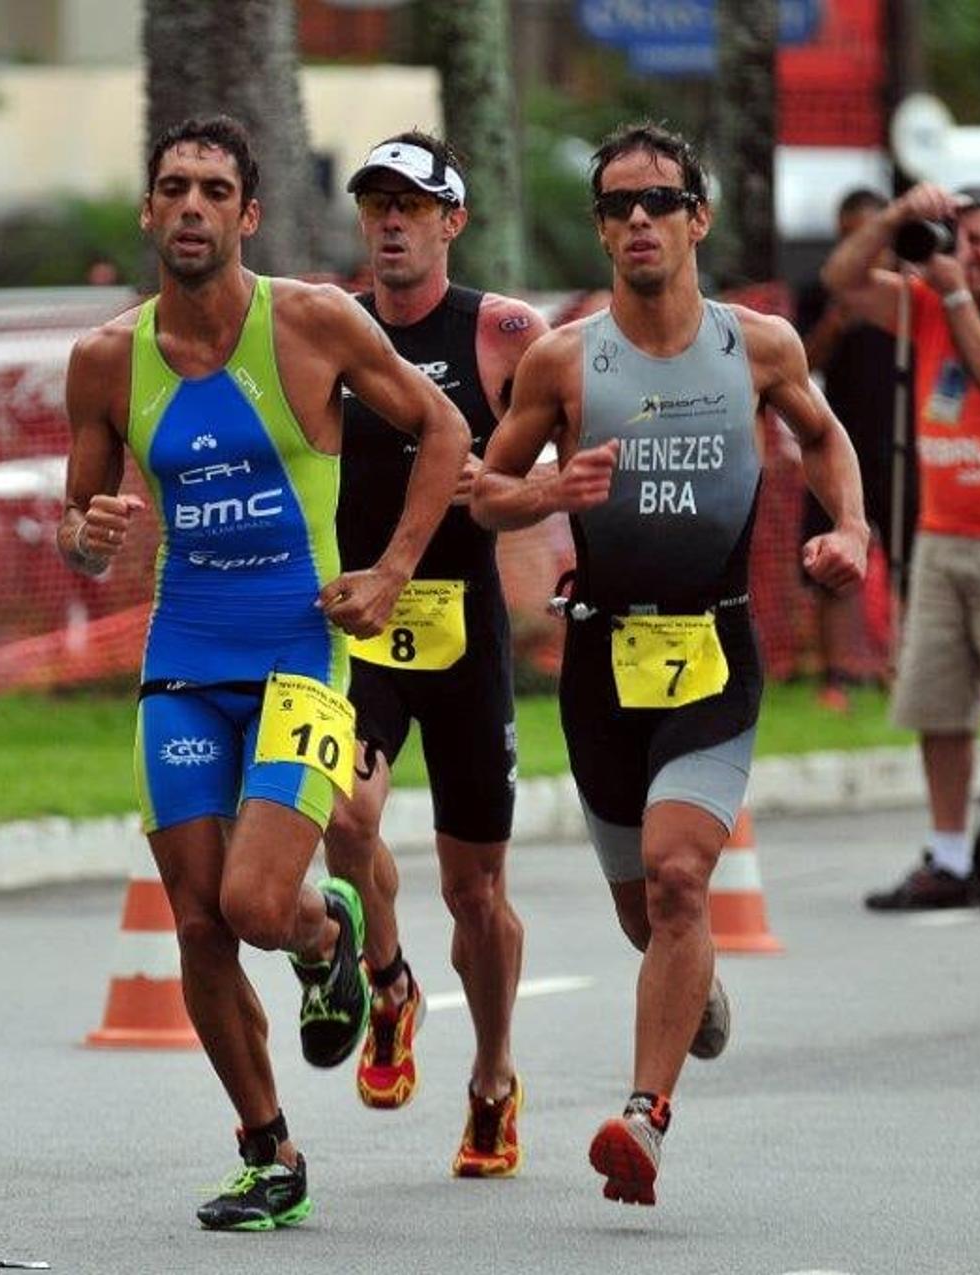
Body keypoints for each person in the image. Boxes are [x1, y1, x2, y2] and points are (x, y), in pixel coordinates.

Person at [59, 115, 469, 1232]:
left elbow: (443, 432)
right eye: (172, 188)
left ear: (248, 214)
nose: (190, 206)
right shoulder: (106, 360)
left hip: (303, 648)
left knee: (252, 903)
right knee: (195, 921)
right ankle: (268, 1150)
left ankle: (327, 929)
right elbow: (78, 529)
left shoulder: (314, 323)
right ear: (149, 212)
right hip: (183, 656)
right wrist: (89, 537)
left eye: (213, 191)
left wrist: (390, 571)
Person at [472, 122, 869, 1207]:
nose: (638, 221)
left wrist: (855, 530)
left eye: (659, 202)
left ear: (699, 218)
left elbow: (826, 439)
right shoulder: (564, 359)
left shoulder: (761, 345)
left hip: (711, 645)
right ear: (601, 228)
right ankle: (691, 983)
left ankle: (644, 1118)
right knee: (646, 914)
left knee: (682, 877)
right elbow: (484, 490)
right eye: (616, 206)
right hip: (601, 656)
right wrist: (545, 497)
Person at [322, 131, 547, 1177]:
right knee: (343, 815)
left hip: (465, 641)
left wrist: (544, 526)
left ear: (452, 221)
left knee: (476, 892)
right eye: (376, 204)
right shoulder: (332, 331)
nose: (392, 221)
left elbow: (564, 456)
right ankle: (390, 978)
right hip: (366, 627)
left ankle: (494, 1074)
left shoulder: (503, 332)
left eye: (412, 205)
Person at [823, 182, 980, 916]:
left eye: (979, 241)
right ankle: (948, 855)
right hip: (943, 536)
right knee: (937, 700)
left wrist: (956, 296)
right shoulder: (927, 303)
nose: (963, 253)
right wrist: (899, 218)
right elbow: (841, 280)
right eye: (954, 237)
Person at [794, 188, 916, 710]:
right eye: (848, 235)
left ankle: (906, 667)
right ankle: (836, 672)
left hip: (903, 444)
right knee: (832, 558)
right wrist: (835, 323)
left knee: (910, 561)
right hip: (839, 443)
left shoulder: (909, 295)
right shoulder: (825, 291)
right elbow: (799, 363)